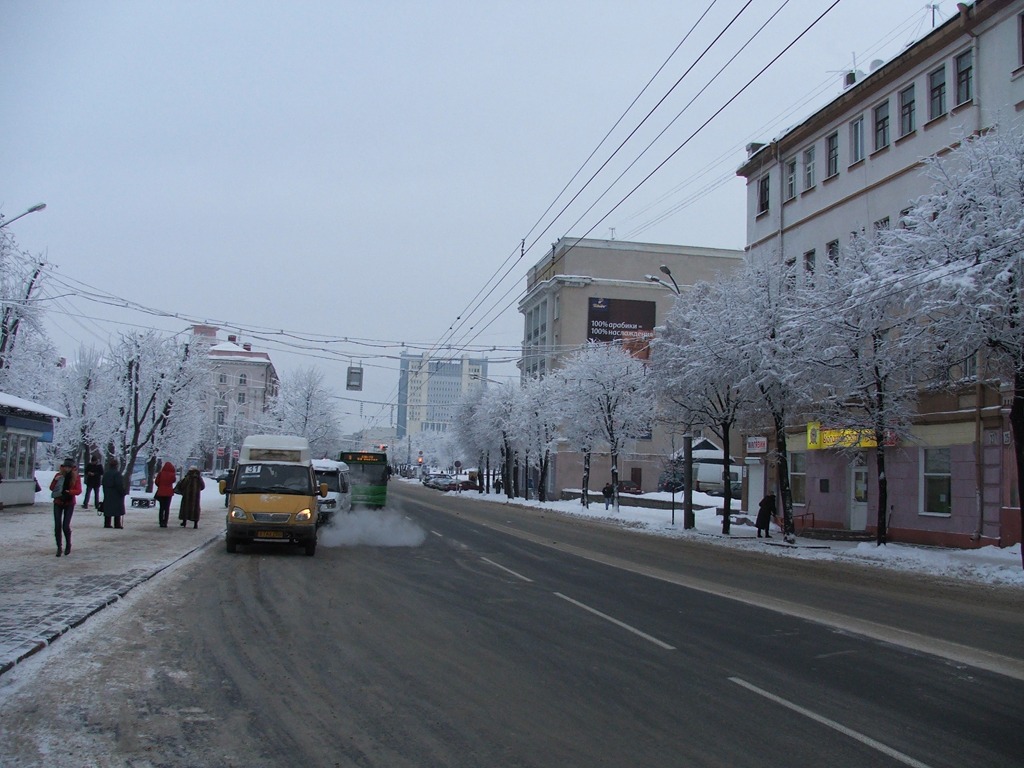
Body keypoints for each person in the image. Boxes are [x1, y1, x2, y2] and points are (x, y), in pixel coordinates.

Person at [49, 458, 82, 557]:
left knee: (65, 526)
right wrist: (55, 481)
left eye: (69, 467)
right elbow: (51, 488)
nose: (67, 469)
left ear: (72, 468)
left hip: (69, 502)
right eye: (65, 467)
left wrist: (69, 492)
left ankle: (68, 544)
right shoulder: (58, 475)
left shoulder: (76, 477)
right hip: (58, 502)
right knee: (57, 525)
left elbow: (78, 490)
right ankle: (59, 547)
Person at [101, 457, 127, 529]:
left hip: (107, 493)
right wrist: (123, 492)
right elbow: (119, 484)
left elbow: (103, 482)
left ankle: (107, 523)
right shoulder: (117, 474)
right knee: (117, 509)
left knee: (108, 508)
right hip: (116, 493)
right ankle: (117, 524)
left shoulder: (106, 474)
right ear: (116, 466)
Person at [154, 461, 177, 528]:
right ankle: (165, 522)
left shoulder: (161, 473)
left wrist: (160, 486)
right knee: (167, 508)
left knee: (161, 508)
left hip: (161, 492)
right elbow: (173, 480)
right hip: (169, 493)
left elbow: (156, 481)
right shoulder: (172, 474)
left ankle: (161, 522)